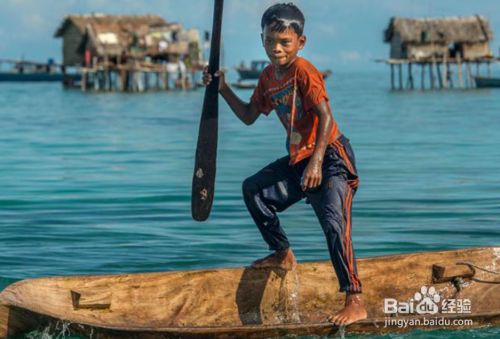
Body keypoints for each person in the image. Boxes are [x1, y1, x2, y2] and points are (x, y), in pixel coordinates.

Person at [203, 3, 367, 326]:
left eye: (285, 43)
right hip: (300, 159)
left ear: (300, 43)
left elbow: (325, 117)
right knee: (254, 190)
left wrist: (317, 163)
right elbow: (249, 116)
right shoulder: (267, 78)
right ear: (262, 39)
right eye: (269, 42)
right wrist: (222, 88)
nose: (276, 49)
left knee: (334, 223)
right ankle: (282, 253)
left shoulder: (303, 71)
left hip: (330, 157)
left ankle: (355, 299)